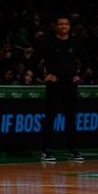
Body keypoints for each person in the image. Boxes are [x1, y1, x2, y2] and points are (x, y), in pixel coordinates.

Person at [39, 14, 84, 163]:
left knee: (70, 119)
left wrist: (79, 75)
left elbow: (86, 60)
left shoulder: (74, 43)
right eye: (61, 24)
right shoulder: (48, 43)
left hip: (70, 85)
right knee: (50, 118)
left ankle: (73, 151)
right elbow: (34, 60)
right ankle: (46, 150)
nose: (63, 26)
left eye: (66, 24)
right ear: (56, 26)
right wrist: (44, 75)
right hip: (54, 85)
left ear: (69, 27)